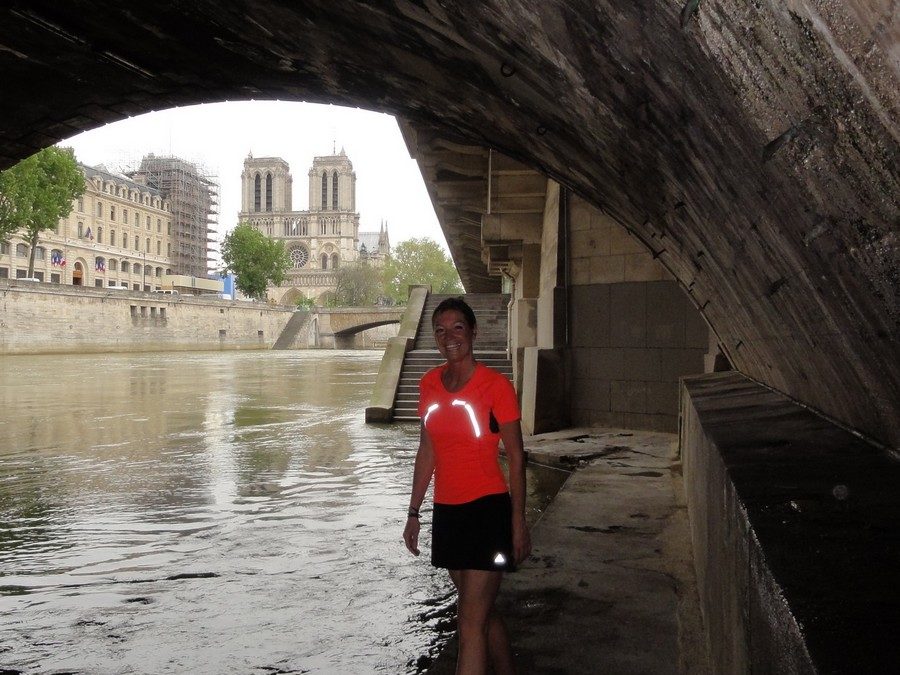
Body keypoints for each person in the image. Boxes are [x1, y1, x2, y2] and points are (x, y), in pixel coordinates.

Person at [403, 297, 531, 675]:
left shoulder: (496, 386)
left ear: (473, 331)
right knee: (481, 611)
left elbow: (517, 458)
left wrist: (518, 522)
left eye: (457, 327)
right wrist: (413, 513)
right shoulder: (428, 384)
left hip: (487, 511)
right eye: (440, 331)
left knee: (469, 621)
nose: (449, 337)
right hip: (448, 514)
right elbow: (427, 450)